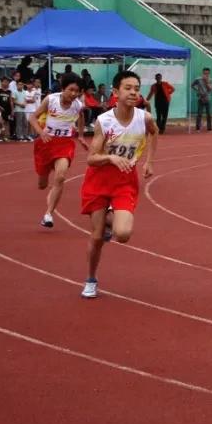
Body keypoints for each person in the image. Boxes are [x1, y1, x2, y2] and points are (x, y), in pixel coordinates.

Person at [80, 71, 157, 298]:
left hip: (125, 181)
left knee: (123, 233)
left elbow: (154, 133)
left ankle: (109, 221)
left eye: (136, 88)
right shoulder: (104, 121)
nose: (133, 92)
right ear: (115, 92)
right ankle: (91, 279)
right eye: (128, 88)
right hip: (99, 181)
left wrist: (149, 161)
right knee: (96, 237)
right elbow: (91, 158)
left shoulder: (144, 118)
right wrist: (111, 157)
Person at [31, 72, 89, 228]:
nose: (74, 94)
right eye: (71, 90)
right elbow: (32, 117)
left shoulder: (77, 105)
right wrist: (41, 132)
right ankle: (48, 186)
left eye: (77, 91)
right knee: (42, 184)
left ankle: (48, 214)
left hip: (65, 144)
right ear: (63, 88)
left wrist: (81, 136)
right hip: (46, 143)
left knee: (61, 177)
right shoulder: (51, 100)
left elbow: (81, 118)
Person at [191, 67, 212, 132]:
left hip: (208, 99)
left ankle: (209, 128)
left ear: (209, 74)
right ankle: (198, 128)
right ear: (202, 73)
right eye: (204, 73)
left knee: (208, 114)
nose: (206, 75)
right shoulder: (198, 79)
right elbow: (192, 85)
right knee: (199, 114)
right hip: (200, 98)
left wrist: (206, 82)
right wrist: (197, 90)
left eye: (207, 74)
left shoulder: (211, 80)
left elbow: (210, 89)